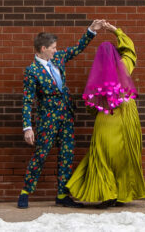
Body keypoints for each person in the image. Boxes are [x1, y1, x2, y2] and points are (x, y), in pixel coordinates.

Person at [18, 19, 105, 209]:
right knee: (40, 155)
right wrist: (27, 127)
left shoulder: (57, 59)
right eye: (53, 48)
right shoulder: (31, 71)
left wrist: (91, 30)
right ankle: (25, 192)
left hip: (66, 117)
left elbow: (77, 48)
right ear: (43, 48)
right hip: (47, 120)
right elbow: (27, 100)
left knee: (67, 154)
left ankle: (62, 194)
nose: (56, 50)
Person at [65, 21, 145, 206]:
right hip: (127, 115)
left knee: (102, 156)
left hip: (106, 118)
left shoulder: (98, 76)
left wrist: (98, 112)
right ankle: (122, 194)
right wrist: (115, 31)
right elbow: (131, 50)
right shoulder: (125, 66)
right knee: (125, 155)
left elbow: (91, 106)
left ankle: (107, 194)